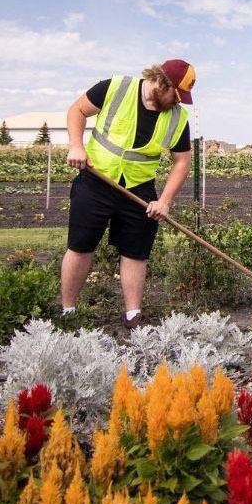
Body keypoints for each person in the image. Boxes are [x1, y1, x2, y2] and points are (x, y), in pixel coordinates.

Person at [58, 60, 197, 323]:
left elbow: (181, 161)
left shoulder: (178, 118)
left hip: (138, 189)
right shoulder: (115, 88)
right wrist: (76, 145)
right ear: (161, 82)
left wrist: (164, 201)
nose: (177, 102)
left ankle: (133, 315)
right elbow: (76, 110)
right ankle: (68, 312)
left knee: (136, 251)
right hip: (96, 181)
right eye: (176, 95)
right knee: (80, 246)